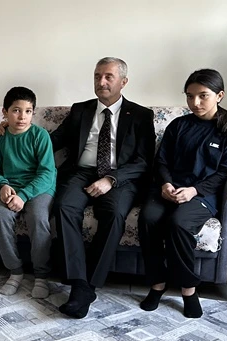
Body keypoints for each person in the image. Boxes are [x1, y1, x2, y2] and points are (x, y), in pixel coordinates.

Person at [50, 57, 155, 318]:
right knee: (64, 206)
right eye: (97, 76)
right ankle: (79, 283)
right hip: (81, 172)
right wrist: (17, 132)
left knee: (115, 213)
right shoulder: (80, 110)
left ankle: (90, 284)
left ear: (123, 82)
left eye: (108, 76)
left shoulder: (141, 115)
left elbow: (144, 161)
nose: (101, 81)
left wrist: (111, 180)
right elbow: (53, 140)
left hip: (120, 177)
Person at [138, 69, 227, 318]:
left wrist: (194, 190)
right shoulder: (179, 125)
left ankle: (188, 290)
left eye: (203, 95)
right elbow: (161, 161)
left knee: (178, 223)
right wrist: (166, 185)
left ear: (220, 95)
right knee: (148, 218)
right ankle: (157, 285)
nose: (195, 102)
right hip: (169, 190)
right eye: (189, 96)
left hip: (203, 195)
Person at [0, 87, 56, 297]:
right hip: (11, 186)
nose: (22, 116)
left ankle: (41, 275)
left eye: (28, 111)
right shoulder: (0, 137)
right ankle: (15, 271)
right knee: (0, 216)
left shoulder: (40, 135)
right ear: (5, 112)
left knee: (38, 217)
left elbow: (47, 173)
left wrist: (24, 196)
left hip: (39, 187)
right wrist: (2, 185)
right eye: (16, 110)